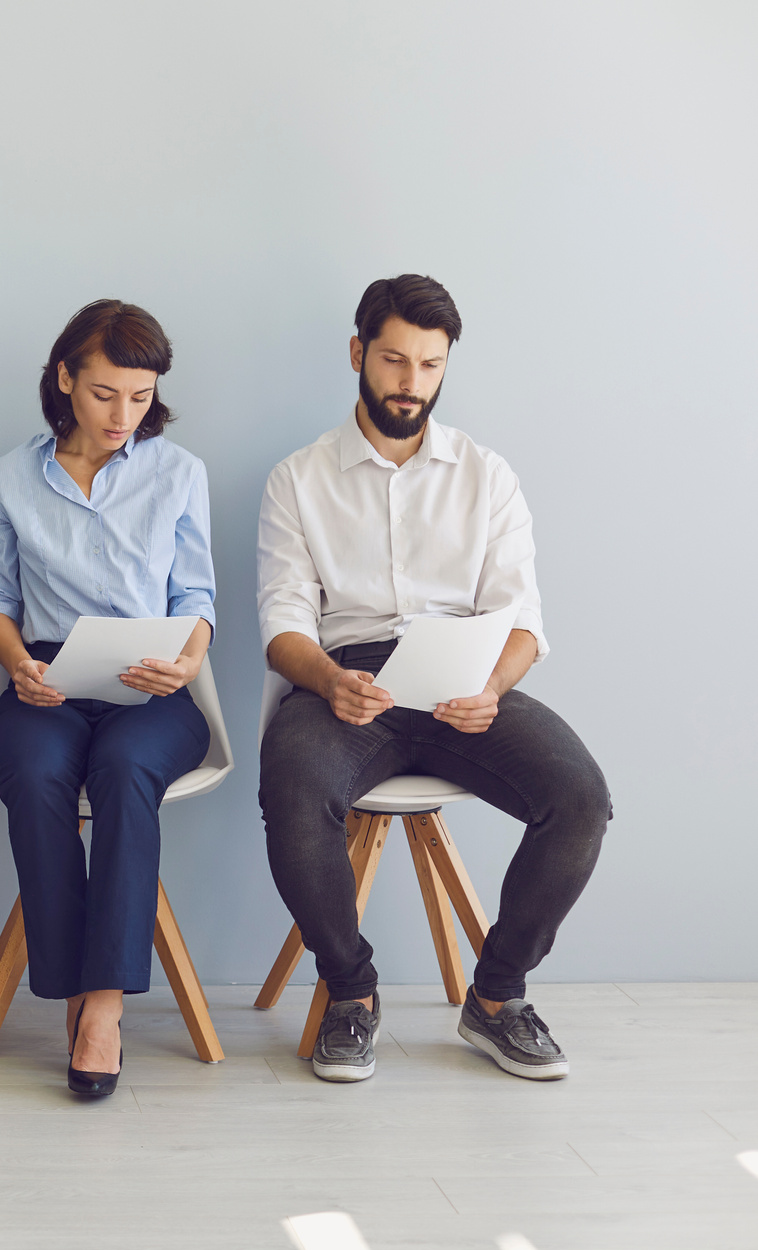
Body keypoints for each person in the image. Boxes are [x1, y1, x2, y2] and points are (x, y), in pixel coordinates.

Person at [257, 274, 611, 1083]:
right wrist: (328, 679)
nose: (410, 382)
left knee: (581, 798)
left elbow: (523, 619)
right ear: (358, 354)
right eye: (392, 360)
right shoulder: (298, 479)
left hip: (463, 681)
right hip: (345, 682)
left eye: (428, 364)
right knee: (292, 787)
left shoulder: (488, 476)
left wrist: (492, 686)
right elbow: (283, 625)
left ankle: (496, 999)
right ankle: (351, 994)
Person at [0, 300, 215, 1098]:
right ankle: (68, 992)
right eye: (107, 392)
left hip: (151, 682)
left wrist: (186, 662)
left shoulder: (178, 472)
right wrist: (16, 663)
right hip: (44, 675)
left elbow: (197, 597)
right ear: (65, 378)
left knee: (122, 771)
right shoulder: (8, 478)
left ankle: (102, 1005)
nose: (124, 415)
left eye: (141, 396)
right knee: (38, 774)